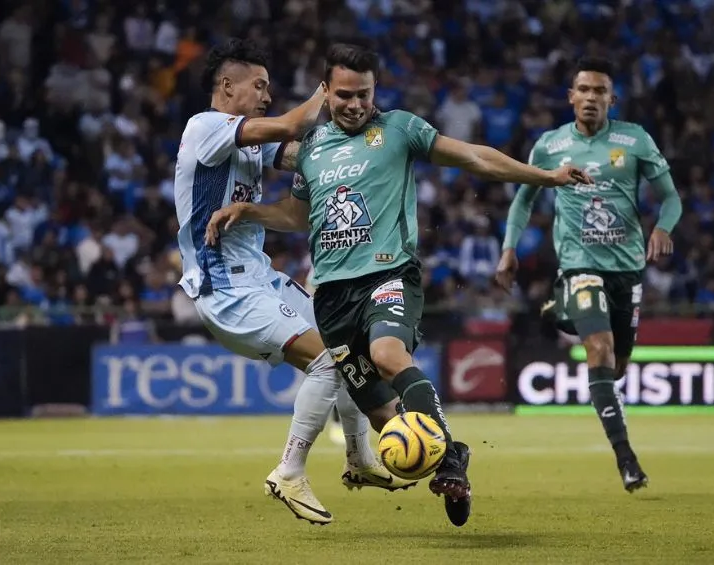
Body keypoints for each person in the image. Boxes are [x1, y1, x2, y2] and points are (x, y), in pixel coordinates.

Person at [205, 43, 591, 527]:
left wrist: (547, 177)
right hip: (331, 297)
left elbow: (474, 157)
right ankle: (453, 455)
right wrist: (249, 211)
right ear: (326, 93)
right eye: (344, 95)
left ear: (375, 91)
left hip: (389, 274)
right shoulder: (314, 149)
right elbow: (297, 215)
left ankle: (447, 462)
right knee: (389, 423)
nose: (355, 105)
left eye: (364, 94)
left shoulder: (399, 129)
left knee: (389, 353)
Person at [173, 39, 415, 527]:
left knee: (349, 351)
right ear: (226, 86)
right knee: (326, 359)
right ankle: (289, 470)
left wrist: (371, 148)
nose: (266, 95)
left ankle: (358, 457)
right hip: (226, 290)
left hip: (260, 278)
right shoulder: (205, 128)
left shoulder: (244, 141)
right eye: (259, 86)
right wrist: (330, 91)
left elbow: (305, 151)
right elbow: (292, 125)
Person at [496, 56, 684, 493]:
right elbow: (524, 200)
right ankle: (626, 459)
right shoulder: (549, 145)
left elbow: (671, 198)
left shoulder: (634, 140)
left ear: (611, 99)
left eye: (600, 91)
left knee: (616, 365)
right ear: (571, 97)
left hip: (627, 270)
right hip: (580, 264)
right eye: (584, 90)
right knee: (597, 349)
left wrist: (663, 227)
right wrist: (509, 249)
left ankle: (558, 310)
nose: (591, 98)